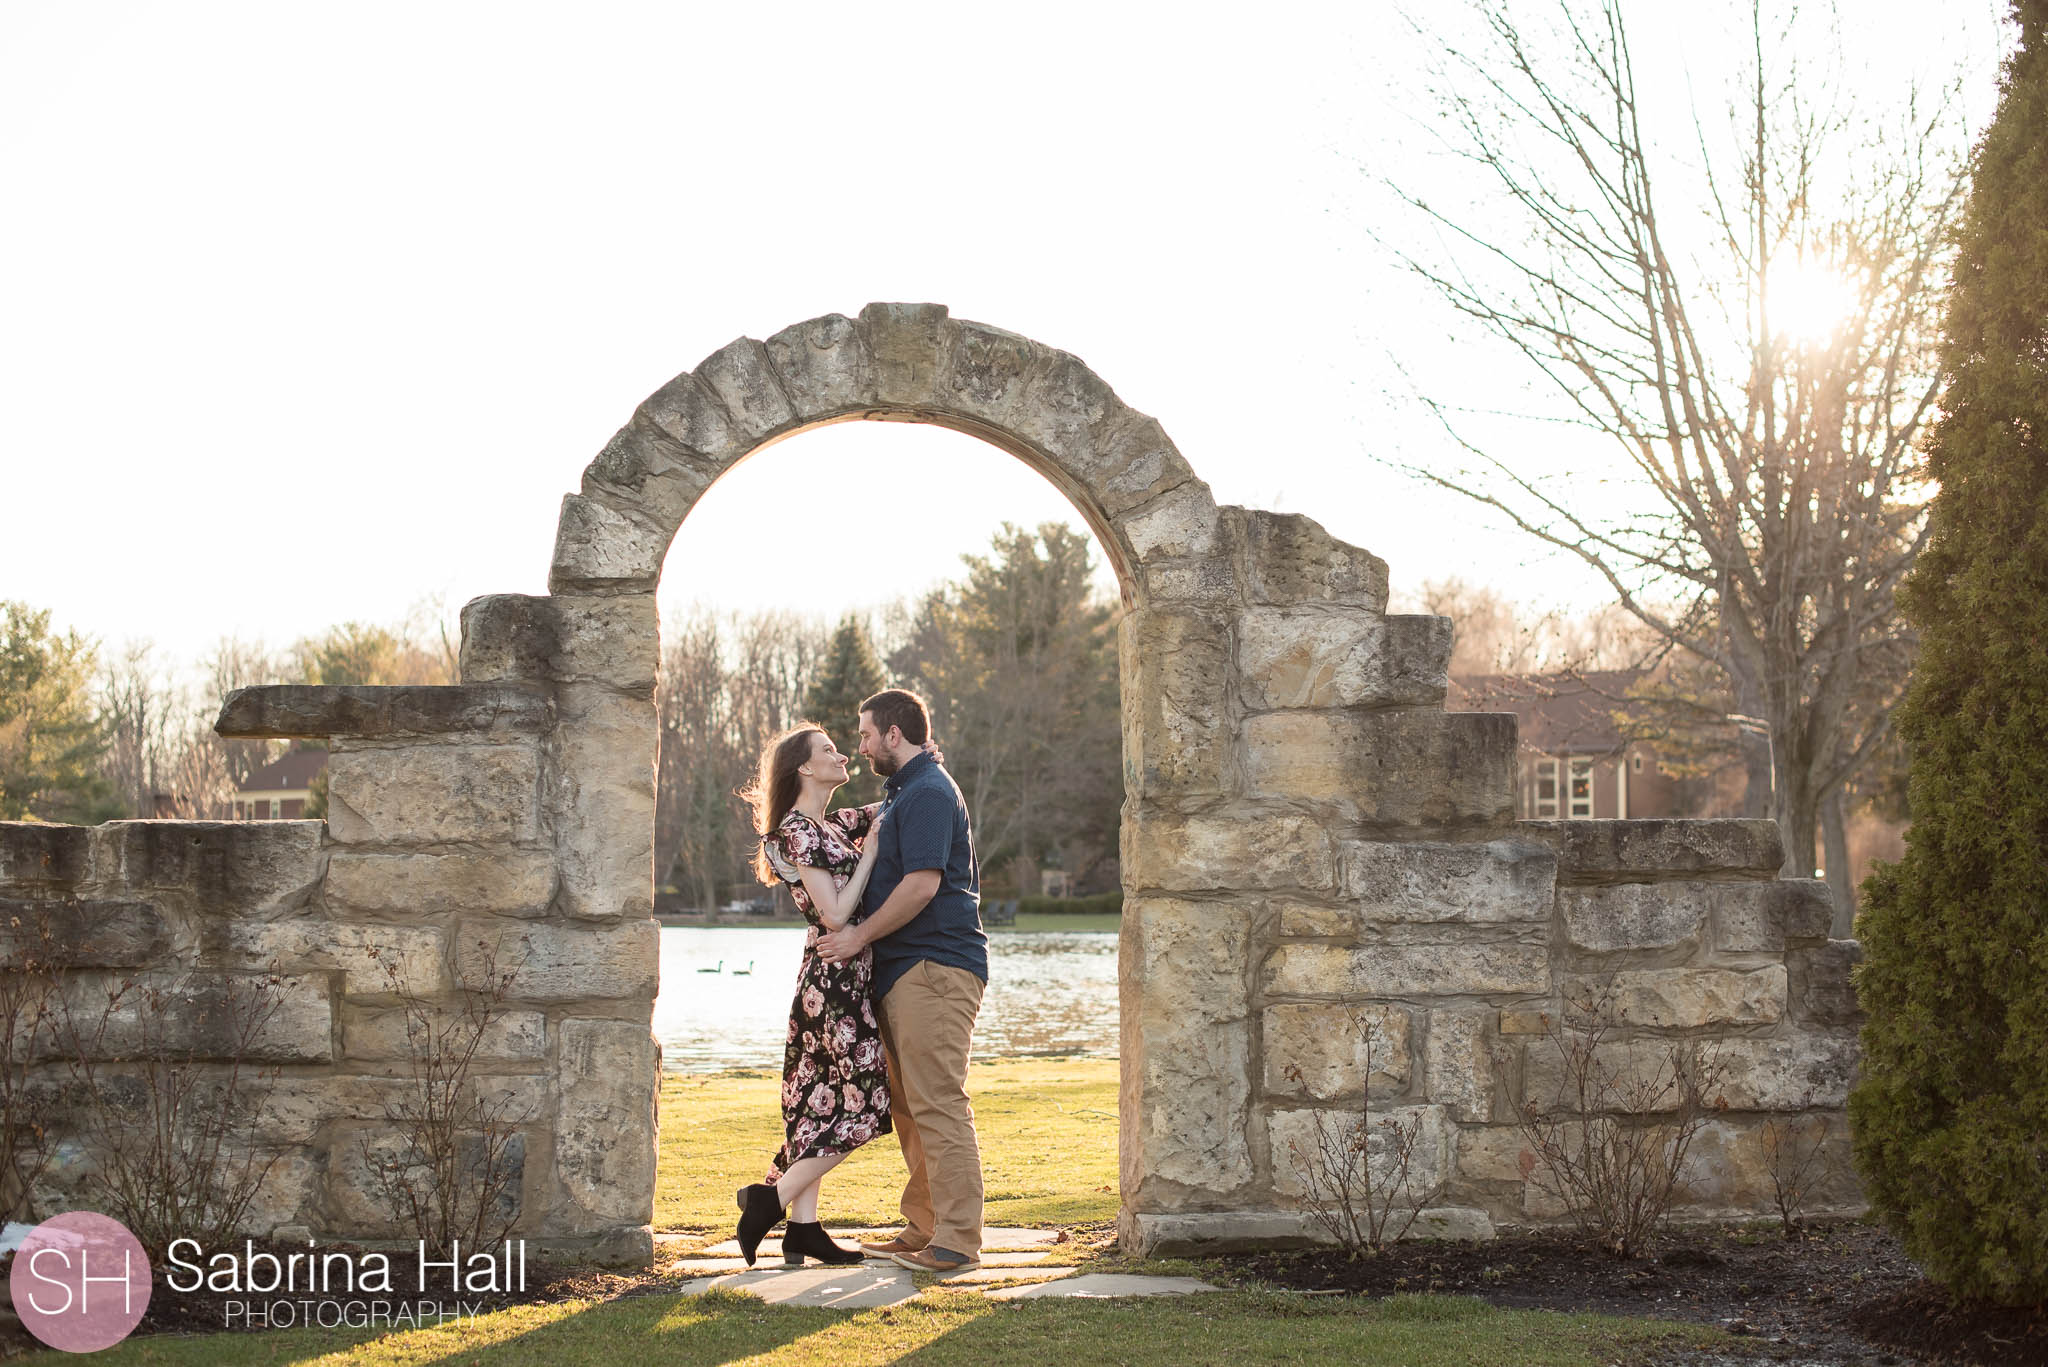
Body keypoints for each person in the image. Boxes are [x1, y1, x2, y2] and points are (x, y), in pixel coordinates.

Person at [817, 688, 989, 1274]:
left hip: (935, 966)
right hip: (904, 971)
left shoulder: (929, 794)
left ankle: (958, 1242)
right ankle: (925, 1226)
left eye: (865, 735)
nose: (860, 746)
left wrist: (856, 938)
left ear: (895, 734)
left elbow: (921, 886)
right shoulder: (900, 795)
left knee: (938, 1102)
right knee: (911, 1107)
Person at [732, 723, 903, 1267]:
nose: (842, 753)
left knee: (815, 1103)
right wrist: (870, 855)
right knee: (868, 1102)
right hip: (834, 984)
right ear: (804, 768)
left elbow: (881, 811)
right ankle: (770, 1202)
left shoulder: (826, 825)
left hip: (830, 978)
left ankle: (803, 1231)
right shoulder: (798, 833)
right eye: (829, 749)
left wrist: (916, 762)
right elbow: (834, 913)